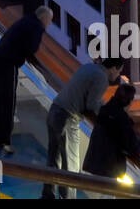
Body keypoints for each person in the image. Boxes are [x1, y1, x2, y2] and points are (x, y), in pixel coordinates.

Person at [41, 57, 125, 199]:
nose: (117, 76)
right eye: (119, 72)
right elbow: (92, 104)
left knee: (53, 160)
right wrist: (108, 112)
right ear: (113, 68)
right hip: (67, 119)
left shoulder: (87, 67)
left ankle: (47, 195)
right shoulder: (102, 78)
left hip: (54, 111)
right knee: (71, 167)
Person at [0, 6, 52, 154]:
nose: (50, 23)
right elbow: (31, 48)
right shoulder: (37, 27)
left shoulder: (27, 20)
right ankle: (4, 140)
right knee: (8, 101)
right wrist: (41, 67)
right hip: (9, 62)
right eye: (50, 20)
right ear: (44, 18)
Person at [81, 83, 140, 196]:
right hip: (109, 169)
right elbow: (130, 146)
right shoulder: (122, 120)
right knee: (108, 195)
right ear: (129, 102)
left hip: (93, 162)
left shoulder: (104, 110)